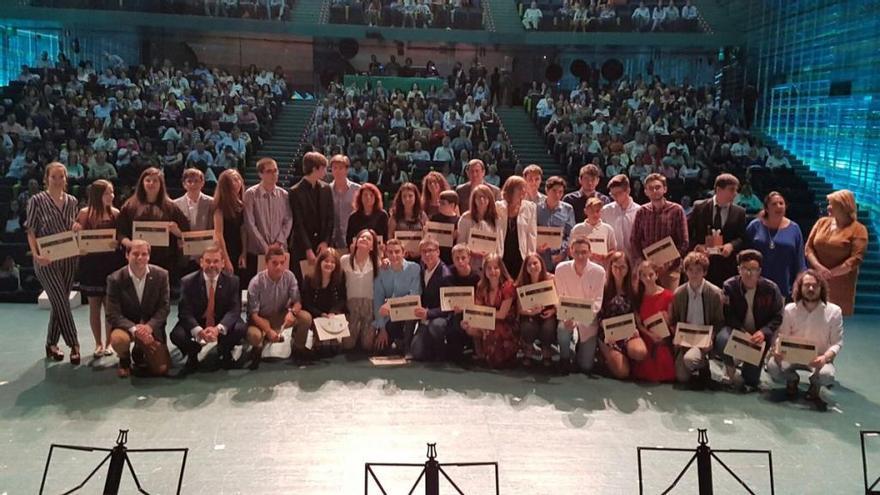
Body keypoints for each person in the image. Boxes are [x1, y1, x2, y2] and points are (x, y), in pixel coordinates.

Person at [26, 163, 81, 364]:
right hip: (46, 259)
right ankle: (74, 343)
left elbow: (73, 226)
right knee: (61, 300)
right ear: (46, 178)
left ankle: (51, 343)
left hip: (68, 258)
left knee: (59, 302)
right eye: (54, 176)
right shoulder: (36, 200)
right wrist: (35, 254)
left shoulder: (72, 201)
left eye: (61, 177)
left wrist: (76, 227)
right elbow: (31, 231)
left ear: (66, 179)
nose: (58, 180)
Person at [767, 270, 843, 411]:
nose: (811, 289)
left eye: (815, 285)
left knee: (827, 375)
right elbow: (782, 336)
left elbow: (837, 343)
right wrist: (777, 350)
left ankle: (815, 383)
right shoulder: (790, 309)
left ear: (822, 288)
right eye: (807, 285)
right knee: (772, 367)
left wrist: (825, 357)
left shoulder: (834, 311)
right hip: (791, 357)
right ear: (800, 288)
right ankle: (792, 379)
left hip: (818, 358)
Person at [715, 249, 785, 392]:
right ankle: (729, 365)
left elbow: (778, 316)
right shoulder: (729, 286)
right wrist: (742, 331)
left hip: (760, 336)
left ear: (759, 271)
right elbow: (729, 315)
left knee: (750, 380)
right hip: (737, 331)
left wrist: (763, 332)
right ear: (738, 269)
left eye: (753, 269)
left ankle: (745, 362)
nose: (749, 273)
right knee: (721, 338)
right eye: (745, 269)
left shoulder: (771, 289)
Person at [171, 245, 246, 372]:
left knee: (241, 328)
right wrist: (199, 331)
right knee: (177, 335)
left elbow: (234, 310)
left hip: (220, 321)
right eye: (208, 261)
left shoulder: (233, 281)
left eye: (216, 261)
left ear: (223, 263)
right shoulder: (187, 282)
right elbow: (184, 313)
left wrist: (218, 329)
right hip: (198, 321)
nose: (212, 265)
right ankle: (193, 352)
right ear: (201, 262)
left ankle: (224, 350)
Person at [106, 240, 172, 378]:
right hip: (127, 327)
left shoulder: (162, 275)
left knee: (161, 369)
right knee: (118, 340)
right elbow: (113, 314)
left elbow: (164, 307)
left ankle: (139, 351)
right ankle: (124, 360)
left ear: (149, 256)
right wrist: (135, 329)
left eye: (144, 254)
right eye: (135, 254)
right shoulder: (115, 279)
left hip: (151, 328)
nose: (140, 258)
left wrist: (149, 327)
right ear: (127, 255)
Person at [74, 179, 124, 358]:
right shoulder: (84, 213)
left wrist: (116, 242)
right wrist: (77, 232)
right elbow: (78, 241)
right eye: (108, 193)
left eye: (112, 192)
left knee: (109, 307)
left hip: (111, 264)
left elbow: (120, 238)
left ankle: (110, 343)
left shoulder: (116, 214)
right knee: (94, 306)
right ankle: (98, 343)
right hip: (91, 265)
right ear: (97, 195)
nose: (112, 196)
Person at [245, 246, 312, 369]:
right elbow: (253, 314)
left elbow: (297, 302)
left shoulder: (290, 276)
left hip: (280, 314)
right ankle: (257, 347)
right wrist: (269, 330)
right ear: (266, 263)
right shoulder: (256, 282)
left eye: (282, 263)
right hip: (260, 318)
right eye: (274, 263)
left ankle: (298, 347)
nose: (279, 267)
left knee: (306, 318)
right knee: (255, 336)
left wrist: (292, 313)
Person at [117, 167, 191, 277]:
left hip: (165, 261)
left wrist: (177, 232)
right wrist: (130, 244)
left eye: (155, 181)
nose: (151, 183)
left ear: (161, 184)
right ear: (142, 183)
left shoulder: (171, 207)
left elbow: (187, 234)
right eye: (148, 180)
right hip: (137, 260)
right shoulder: (130, 205)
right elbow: (120, 232)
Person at [805, 190, 868, 316]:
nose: (828, 207)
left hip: (841, 285)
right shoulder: (821, 222)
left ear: (843, 206)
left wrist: (830, 274)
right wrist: (819, 268)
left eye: (831, 204)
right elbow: (808, 248)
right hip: (816, 279)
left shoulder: (858, 229)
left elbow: (856, 259)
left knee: (834, 323)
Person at [670, 252, 725, 387]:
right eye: (690, 270)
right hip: (685, 338)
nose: (694, 274)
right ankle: (700, 365)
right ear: (685, 271)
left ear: (704, 272)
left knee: (690, 360)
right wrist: (676, 337)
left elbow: (719, 321)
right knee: (681, 377)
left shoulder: (715, 293)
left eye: (698, 271)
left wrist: (711, 338)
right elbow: (673, 320)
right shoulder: (679, 293)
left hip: (704, 339)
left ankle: (703, 364)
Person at [554, 237, 605, 373]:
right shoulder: (561, 269)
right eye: (577, 252)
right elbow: (558, 298)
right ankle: (564, 357)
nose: (580, 256)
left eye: (584, 252)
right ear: (571, 252)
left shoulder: (599, 272)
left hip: (588, 319)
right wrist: (567, 319)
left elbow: (597, 303)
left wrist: (578, 319)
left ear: (590, 253)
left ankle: (579, 347)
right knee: (562, 329)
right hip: (567, 317)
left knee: (586, 366)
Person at [631, 173, 689, 290]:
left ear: (665, 189)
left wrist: (669, 262)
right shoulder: (641, 212)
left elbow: (684, 242)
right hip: (648, 269)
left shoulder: (676, 210)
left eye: (657, 187)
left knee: (669, 305)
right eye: (650, 188)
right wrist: (643, 262)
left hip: (671, 269)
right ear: (646, 192)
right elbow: (634, 240)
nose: (654, 190)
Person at [688, 173, 747, 287]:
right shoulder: (699, 207)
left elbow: (742, 238)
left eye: (736, 190)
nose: (735, 194)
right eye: (732, 190)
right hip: (701, 265)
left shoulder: (740, 212)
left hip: (727, 267)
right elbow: (688, 233)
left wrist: (731, 245)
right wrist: (697, 246)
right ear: (719, 189)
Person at [596, 251, 648, 379]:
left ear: (628, 269)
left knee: (640, 352)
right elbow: (597, 316)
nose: (619, 270)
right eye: (616, 267)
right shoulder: (603, 288)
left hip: (628, 333)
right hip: (608, 336)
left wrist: (636, 329)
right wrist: (607, 334)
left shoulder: (634, 290)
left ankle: (627, 355)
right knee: (623, 373)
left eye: (622, 267)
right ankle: (605, 355)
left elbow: (637, 314)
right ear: (611, 267)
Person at [745, 191, 806, 300]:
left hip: (784, 290)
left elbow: (800, 262)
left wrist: (797, 286)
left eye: (781, 203)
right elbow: (743, 256)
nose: (778, 206)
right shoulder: (755, 226)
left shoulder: (794, 228)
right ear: (766, 208)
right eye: (774, 204)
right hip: (754, 288)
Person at [461, 254, 518, 368]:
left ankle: (503, 356)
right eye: (489, 268)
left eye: (496, 268)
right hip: (487, 321)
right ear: (484, 271)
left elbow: (502, 315)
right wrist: (469, 319)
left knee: (494, 331)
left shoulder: (508, 286)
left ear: (501, 269)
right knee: (469, 327)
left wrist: (482, 317)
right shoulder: (481, 287)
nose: (492, 271)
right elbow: (477, 308)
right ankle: (480, 354)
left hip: (506, 324)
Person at [370, 239, 421, 356]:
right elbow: (377, 301)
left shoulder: (414, 268)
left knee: (411, 311)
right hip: (390, 316)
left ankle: (407, 345)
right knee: (380, 350)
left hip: (409, 313)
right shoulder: (381, 272)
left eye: (397, 252)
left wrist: (391, 304)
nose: (394, 255)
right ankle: (398, 341)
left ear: (403, 253)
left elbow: (414, 296)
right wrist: (382, 329)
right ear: (386, 254)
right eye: (390, 252)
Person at [244, 158, 292, 280]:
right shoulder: (251, 194)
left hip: (280, 250)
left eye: (275, 171)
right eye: (269, 171)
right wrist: (266, 247)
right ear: (260, 174)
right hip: (257, 251)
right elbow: (250, 223)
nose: (274, 174)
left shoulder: (284, 194)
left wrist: (278, 243)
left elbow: (288, 220)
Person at [290, 152, 334, 282]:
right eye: (323, 168)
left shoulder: (326, 189)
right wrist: (308, 249)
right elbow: (298, 223)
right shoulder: (295, 191)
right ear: (315, 169)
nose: (326, 172)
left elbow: (330, 219)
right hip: (302, 247)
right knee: (303, 282)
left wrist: (325, 241)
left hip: (322, 245)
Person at [630, 261, 676, 382]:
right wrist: (650, 335)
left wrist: (667, 320)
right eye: (644, 275)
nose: (647, 278)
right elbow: (639, 324)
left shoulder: (668, 296)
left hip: (663, 338)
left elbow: (672, 322)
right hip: (646, 336)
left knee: (663, 359)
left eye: (650, 274)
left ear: (656, 275)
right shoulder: (638, 297)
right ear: (639, 277)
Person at [410, 237, 453, 361]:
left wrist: (428, 313)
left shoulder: (446, 275)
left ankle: (442, 350)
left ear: (438, 252)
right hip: (425, 318)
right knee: (416, 353)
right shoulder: (422, 269)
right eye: (423, 251)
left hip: (440, 318)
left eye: (430, 250)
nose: (427, 254)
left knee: (436, 326)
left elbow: (448, 306)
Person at [300, 248, 347, 356]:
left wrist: (333, 312)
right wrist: (320, 314)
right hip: (316, 314)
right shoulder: (309, 278)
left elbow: (342, 299)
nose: (329, 264)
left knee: (333, 349)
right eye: (326, 261)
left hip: (332, 315)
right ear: (320, 262)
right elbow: (306, 303)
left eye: (332, 262)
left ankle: (333, 338)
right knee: (320, 349)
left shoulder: (340, 277)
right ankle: (316, 338)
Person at [341, 229, 380, 351]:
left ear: (372, 247)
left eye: (368, 239)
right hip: (350, 306)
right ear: (356, 242)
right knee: (347, 345)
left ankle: (364, 331)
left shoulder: (377, 263)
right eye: (362, 237)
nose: (364, 239)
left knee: (367, 346)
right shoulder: (344, 260)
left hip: (369, 306)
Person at [516, 253, 557, 367]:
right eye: (529, 264)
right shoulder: (522, 282)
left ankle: (546, 353)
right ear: (525, 268)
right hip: (529, 314)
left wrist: (553, 311)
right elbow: (520, 309)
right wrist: (531, 312)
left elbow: (558, 302)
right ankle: (528, 352)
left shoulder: (552, 279)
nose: (532, 266)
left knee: (548, 327)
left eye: (535, 263)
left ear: (541, 264)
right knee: (528, 327)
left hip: (548, 313)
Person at [444, 244, 481, 362]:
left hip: (472, 311)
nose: (460, 261)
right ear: (452, 259)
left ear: (469, 258)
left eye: (463, 258)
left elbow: (479, 300)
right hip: (453, 311)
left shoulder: (476, 277)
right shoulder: (448, 274)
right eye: (457, 258)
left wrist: (466, 308)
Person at [497, 176, 538, 278]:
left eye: (525, 188)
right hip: (502, 254)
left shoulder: (530, 207)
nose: (524, 191)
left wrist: (531, 257)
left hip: (521, 256)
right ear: (510, 190)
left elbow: (532, 234)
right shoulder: (497, 207)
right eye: (520, 188)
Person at [213, 169, 248, 278]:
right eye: (233, 180)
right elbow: (219, 235)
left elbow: (243, 230)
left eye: (238, 179)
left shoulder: (241, 204)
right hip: (226, 250)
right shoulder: (220, 206)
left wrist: (244, 253)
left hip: (239, 248)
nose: (237, 183)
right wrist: (226, 260)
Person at [536, 176, 575, 273]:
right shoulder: (536, 209)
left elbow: (570, 234)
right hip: (541, 257)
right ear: (547, 190)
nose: (557, 194)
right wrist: (536, 247)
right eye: (554, 191)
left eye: (560, 192)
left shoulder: (568, 209)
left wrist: (563, 252)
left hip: (561, 258)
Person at [601, 174, 641, 262]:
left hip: (633, 260)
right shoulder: (606, 211)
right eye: (612, 194)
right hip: (612, 261)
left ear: (628, 191)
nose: (615, 197)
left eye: (619, 193)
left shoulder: (639, 211)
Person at [388, 182, 429, 260]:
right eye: (404, 196)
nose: (407, 199)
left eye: (410, 196)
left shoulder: (422, 215)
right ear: (400, 198)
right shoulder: (395, 216)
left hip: (420, 257)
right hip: (399, 257)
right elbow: (390, 236)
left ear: (415, 197)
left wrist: (419, 251)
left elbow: (427, 236)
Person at [571, 197, 616, 266]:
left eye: (597, 211)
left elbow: (613, 249)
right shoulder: (577, 229)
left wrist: (605, 257)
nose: (595, 214)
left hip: (602, 267)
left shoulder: (608, 229)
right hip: (582, 267)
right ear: (585, 211)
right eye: (591, 211)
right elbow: (570, 249)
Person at [329, 154, 361, 250]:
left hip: (352, 236)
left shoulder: (357, 189)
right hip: (332, 239)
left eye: (341, 168)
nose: (338, 171)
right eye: (335, 168)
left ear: (347, 170)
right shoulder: (326, 190)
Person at [346, 183, 389, 248]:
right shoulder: (353, 216)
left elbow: (386, 237)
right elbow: (349, 238)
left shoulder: (382, 215)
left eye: (371, 195)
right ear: (360, 198)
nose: (368, 197)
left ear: (376, 198)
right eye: (365, 195)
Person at [429, 190, 461, 265]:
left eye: (443, 203)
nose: (439, 205)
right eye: (439, 202)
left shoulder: (458, 221)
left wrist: (457, 236)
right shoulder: (434, 218)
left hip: (450, 257)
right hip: (436, 256)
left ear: (452, 205)